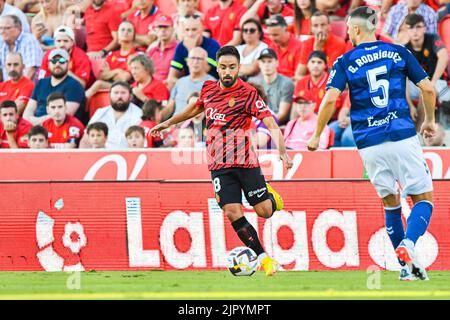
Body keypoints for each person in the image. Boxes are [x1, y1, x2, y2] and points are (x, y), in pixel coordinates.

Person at [308, 6, 437, 281]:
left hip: (368, 142)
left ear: (355, 30)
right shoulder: (399, 52)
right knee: (423, 198)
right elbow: (428, 88)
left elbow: (330, 99)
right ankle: (409, 245)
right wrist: (429, 120)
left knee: (390, 203)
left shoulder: (344, 61)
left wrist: (317, 134)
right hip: (401, 135)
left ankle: (406, 270)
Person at [150, 45, 293, 277]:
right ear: (217, 68)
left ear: (238, 68)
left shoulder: (248, 93)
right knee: (232, 211)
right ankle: (264, 259)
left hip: (245, 162)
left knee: (265, 211)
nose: (227, 72)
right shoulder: (208, 88)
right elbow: (194, 109)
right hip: (219, 165)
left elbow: (270, 123)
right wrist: (168, 123)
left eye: (232, 67)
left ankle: (269, 196)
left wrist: (283, 151)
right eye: (223, 67)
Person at [404, 14, 450, 130]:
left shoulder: (432, 38)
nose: (415, 31)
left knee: (426, 90)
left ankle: (421, 131)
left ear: (424, 28)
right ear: (406, 30)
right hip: (415, 86)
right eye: (411, 27)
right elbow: (403, 79)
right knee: (397, 89)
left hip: (439, 83)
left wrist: (432, 82)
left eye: (418, 27)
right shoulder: (405, 48)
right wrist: (410, 105)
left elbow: (444, 56)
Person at [23, 48, 86, 125]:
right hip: (35, 128)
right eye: (53, 61)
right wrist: (29, 120)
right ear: (48, 64)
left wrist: (36, 121)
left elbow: (64, 115)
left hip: (60, 129)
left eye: (62, 61)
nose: (57, 64)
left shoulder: (75, 85)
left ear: (68, 64)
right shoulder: (41, 83)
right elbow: (29, 110)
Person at [80, 81, 143, 149]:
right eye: (116, 93)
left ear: (130, 96)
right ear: (109, 95)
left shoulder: (138, 114)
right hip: (101, 156)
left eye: (123, 93)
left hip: (127, 156)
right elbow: (86, 140)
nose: (119, 96)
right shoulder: (100, 113)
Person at [166, 15, 220, 89]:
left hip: (209, 85)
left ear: (202, 29)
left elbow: (202, 72)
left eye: (194, 29)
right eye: (187, 30)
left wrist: (191, 49)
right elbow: (172, 75)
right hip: (188, 84)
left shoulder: (213, 45)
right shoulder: (181, 46)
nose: (190, 34)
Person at [86, 20, 137, 98]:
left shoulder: (135, 55)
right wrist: (117, 71)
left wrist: (110, 73)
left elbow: (124, 78)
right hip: (111, 85)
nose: (125, 32)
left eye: (129, 30)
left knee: (98, 84)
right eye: (122, 30)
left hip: (127, 88)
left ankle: (82, 102)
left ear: (133, 35)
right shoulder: (112, 54)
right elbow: (101, 75)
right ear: (118, 34)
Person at [164, 47, 216, 118]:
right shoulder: (180, 82)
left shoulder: (212, 83)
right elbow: (169, 107)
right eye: (193, 58)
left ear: (206, 63)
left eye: (199, 59)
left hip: (195, 125)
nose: (195, 62)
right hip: (174, 125)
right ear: (187, 61)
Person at [295, 11, 347, 80]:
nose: (320, 29)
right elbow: (298, 75)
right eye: (315, 26)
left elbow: (332, 76)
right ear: (311, 29)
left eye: (323, 25)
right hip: (310, 84)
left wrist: (317, 52)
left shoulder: (339, 43)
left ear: (329, 26)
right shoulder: (307, 43)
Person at [251, 48, 294, 124]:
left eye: (269, 61)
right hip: (259, 123)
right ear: (259, 64)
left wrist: (263, 124)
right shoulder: (254, 83)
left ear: (277, 63)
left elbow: (282, 114)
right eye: (263, 62)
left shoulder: (286, 83)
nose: (266, 65)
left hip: (279, 125)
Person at [294, 51, 342, 117]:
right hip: (304, 119)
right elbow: (295, 106)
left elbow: (332, 107)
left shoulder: (333, 82)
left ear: (325, 66)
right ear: (307, 64)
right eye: (313, 62)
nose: (315, 65)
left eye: (319, 62)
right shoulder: (301, 82)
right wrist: (292, 124)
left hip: (325, 120)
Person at [0, 15, 42, 81]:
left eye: (7, 28)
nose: (2, 31)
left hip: (29, 87)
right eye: (0, 28)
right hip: (9, 87)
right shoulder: (2, 43)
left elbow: (31, 70)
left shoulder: (29, 41)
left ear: (19, 28)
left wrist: (19, 87)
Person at [265, 14, 302, 79]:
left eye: (275, 35)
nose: (272, 38)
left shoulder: (299, 47)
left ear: (286, 30)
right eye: (270, 35)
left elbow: (298, 77)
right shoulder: (272, 45)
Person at [146, 14, 178, 82]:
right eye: (160, 27)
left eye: (166, 27)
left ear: (172, 29)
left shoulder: (178, 49)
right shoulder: (152, 49)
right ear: (155, 30)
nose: (163, 30)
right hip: (152, 85)